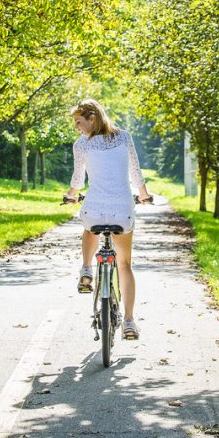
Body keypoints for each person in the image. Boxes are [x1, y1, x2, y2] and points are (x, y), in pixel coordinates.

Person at [65, 99, 151, 340]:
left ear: (92, 118)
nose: (77, 128)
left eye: (79, 122)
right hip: (122, 211)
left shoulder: (81, 145)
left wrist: (70, 196)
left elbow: (77, 180)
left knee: (90, 226)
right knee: (124, 265)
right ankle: (130, 321)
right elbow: (136, 172)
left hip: (94, 210)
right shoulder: (124, 137)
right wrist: (143, 195)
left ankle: (86, 268)